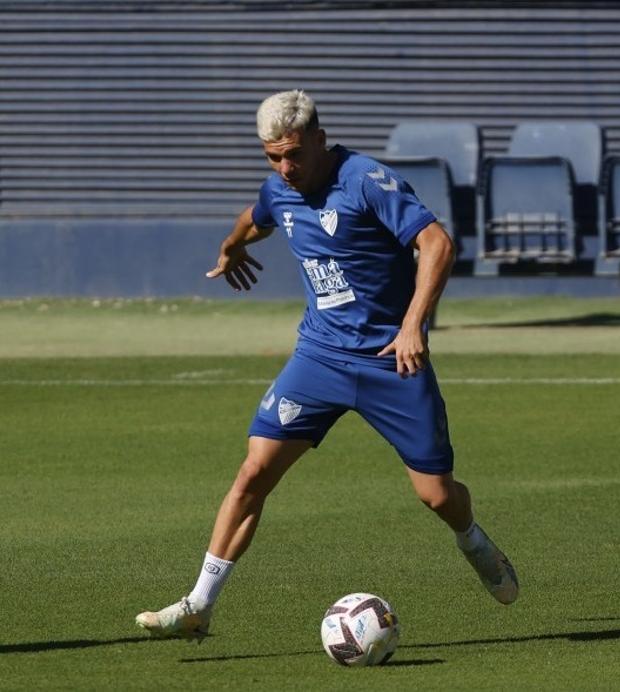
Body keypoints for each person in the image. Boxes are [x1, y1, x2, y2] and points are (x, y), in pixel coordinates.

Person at [136, 90, 518, 641]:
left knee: (436, 496)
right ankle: (199, 604)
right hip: (319, 357)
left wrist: (413, 324)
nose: (284, 168)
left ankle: (475, 543)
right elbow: (257, 215)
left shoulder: (366, 180)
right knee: (253, 473)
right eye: (272, 157)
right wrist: (230, 246)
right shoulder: (280, 188)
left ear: (318, 139)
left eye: (293, 154)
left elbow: (436, 244)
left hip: (392, 361)